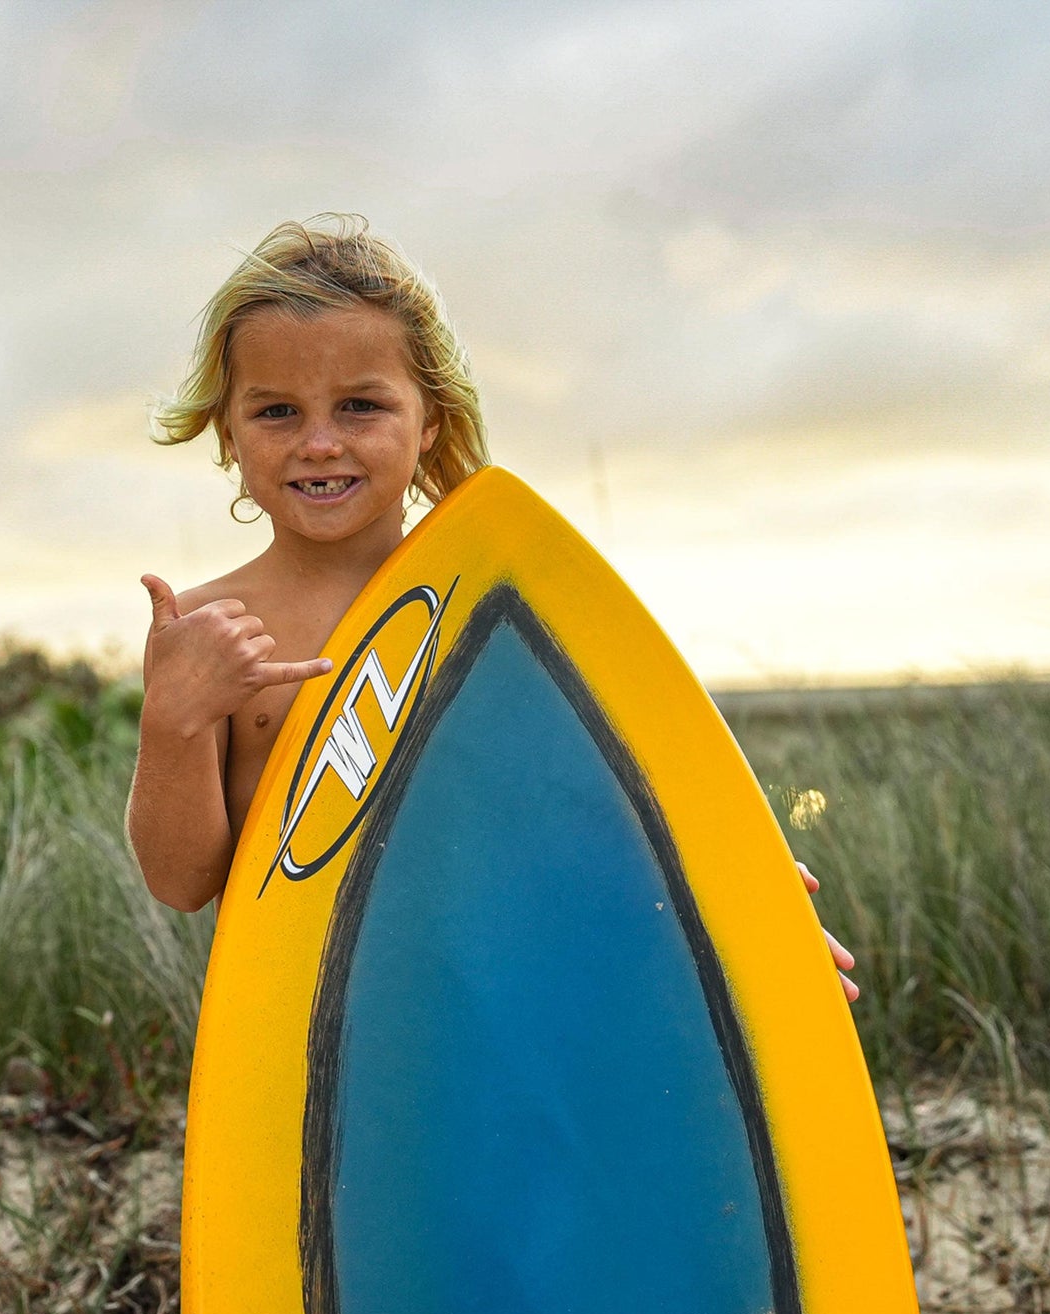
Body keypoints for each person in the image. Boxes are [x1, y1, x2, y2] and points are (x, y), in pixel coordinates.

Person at [125, 213, 858, 1000]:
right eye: (276, 412)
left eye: (359, 406)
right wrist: (174, 720)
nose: (319, 443)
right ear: (228, 433)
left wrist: (730, 899)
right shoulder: (208, 629)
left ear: (428, 418)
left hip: (500, 996)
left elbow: (586, 805)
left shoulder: (498, 605)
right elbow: (181, 881)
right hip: (308, 1021)